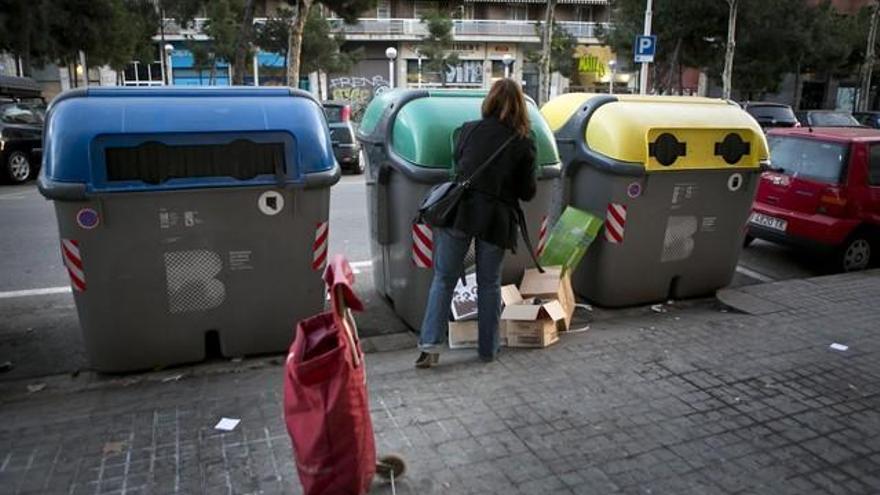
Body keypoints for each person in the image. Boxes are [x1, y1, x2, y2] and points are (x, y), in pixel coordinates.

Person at [415, 79, 537, 369]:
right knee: (489, 283)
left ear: (490, 101)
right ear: (520, 106)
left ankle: (430, 347)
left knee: (444, 279)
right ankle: (488, 349)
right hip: (495, 219)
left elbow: (459, 165)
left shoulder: (468, 129)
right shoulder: (523, 140)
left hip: (461, 211)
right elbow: (528, 192)